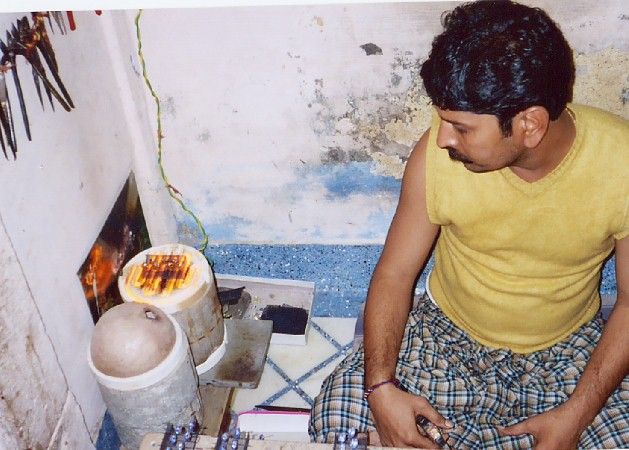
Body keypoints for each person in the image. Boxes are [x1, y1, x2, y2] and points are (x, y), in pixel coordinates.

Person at [309, 0, 629, 448]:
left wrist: (576, 415)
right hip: (445, 338)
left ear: (529, 125)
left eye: (460, 127)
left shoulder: (622, 165)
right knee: (337, 422)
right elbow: (396, 273)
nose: (443, 139)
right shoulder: (435, 155)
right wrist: (381, 387)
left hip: (569, 353)